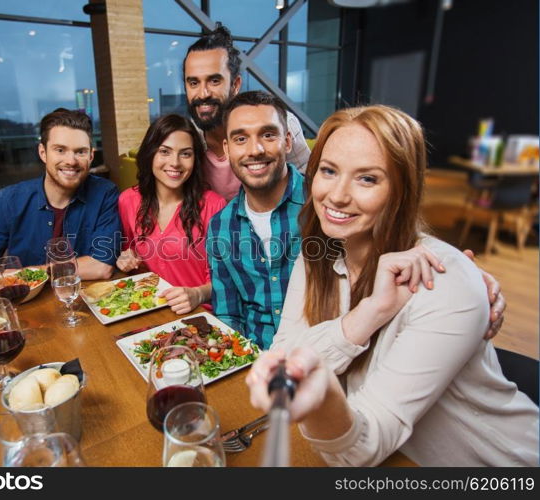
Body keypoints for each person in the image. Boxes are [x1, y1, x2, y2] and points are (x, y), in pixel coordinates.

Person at [246, 104, 539, 466]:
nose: (337, 195)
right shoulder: (318, 254)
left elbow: (360, 450)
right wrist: (369, 313)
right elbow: (285, 356)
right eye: (329, 170)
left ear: (401, 190)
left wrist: (317, 390)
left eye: (367, 178)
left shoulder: (443, 281)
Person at [207, 91, 506, 350]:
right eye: (241, 138)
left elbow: (395, 236)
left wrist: (459, 275)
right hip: (264, 364)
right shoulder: (221, 226)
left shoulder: (329, 205)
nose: (255, 149)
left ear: (287, 141)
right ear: (227, 149)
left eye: (268, 134)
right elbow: (228, 314)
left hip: (339, 363)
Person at [0, 108, 121, 316]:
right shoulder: (9, 200)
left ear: (91, 156)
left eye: (80, 151)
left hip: (84, 306)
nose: (71, 160)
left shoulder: (105, 193)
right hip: (28, 309)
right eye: (60, 150)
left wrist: (29, 273)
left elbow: (101, 266)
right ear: (43, 152)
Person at [183, 24, 311, 201]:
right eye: (193, 83)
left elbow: (310, 183)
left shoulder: (280, 123)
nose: (203, 93)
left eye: (214, 81)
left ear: (235, 84)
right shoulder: (187, 139)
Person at [116, 114, 225, 314]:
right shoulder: (127, 200)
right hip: (146, 313)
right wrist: (125, 258)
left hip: (197, 315)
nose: (175, 163)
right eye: (164, 152)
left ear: (195, 159)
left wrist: (198, 294)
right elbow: (128, 252)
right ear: (150, 154)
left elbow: (224, 280)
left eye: (185, 154)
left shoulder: (214, 205)